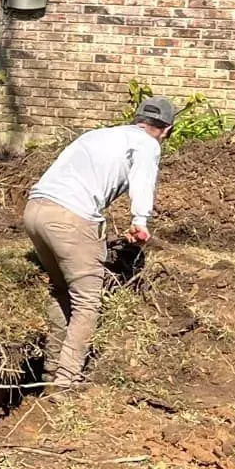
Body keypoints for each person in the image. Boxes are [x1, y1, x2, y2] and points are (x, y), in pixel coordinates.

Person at [22, 95, 177, 388]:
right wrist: (140, 221)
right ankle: (65, 383)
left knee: (62, 290)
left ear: (137, 119)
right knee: (87, 302)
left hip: (35, 211)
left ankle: (49, 373)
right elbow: (143, 180)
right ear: (166, 129)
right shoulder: (147, 144)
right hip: (71, 219)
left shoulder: (98, 134)